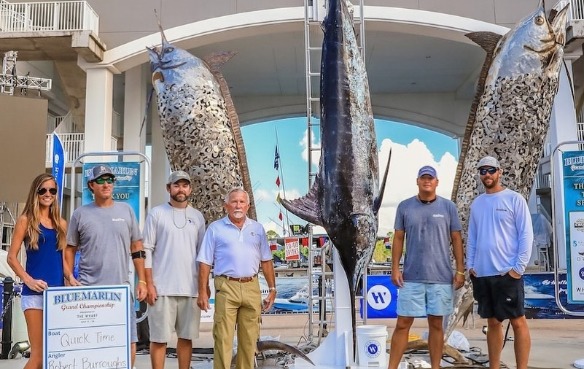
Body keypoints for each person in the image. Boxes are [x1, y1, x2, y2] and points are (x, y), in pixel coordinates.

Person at [64, 164, 147, 367]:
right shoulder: (80, 214)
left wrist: (142, 280)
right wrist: (69, 277)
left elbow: (136, 246)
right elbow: (69, 249)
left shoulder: (126, 211)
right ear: (91, 185)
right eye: (101, 180)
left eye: (110, 180)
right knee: (91, 341)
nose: (106, 184)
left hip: (120, 289)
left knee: (128, 340)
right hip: (88, 290)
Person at [388, 165, 465, 369]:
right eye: (423, 178)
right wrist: (395, 268)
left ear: (437, 182)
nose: (427, 181)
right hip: (411, 277)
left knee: (436, 325)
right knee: (403, 324)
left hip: (441, 277)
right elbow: (398, 238)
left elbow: (456, 239)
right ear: (418, 181)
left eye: (431, 178)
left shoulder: (448, 207)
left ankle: (436, 366)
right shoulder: (404, 207)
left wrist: (460, 270)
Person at [196, 187, 276, 369]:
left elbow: (266, 260)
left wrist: (272, 289)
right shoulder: (215, 229)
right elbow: (204, 262)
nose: (238, 205)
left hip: (251, 287)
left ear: (248, 206)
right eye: (234, 201)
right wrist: (202, 291)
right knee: (223, 339)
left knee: (249, 341)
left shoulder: (258, 229)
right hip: (226, 286)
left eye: (241, 202)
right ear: (226, 206)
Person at [466, 156, 533, 369]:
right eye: (483, 171)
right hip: (483, 274)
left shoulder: (514, 199)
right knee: (493, 323)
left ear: (500, 172)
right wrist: (470, 266)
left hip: (508, 273)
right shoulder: (477, 204)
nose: (487, 174)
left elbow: (526, 235)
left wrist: (518, 269)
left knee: (518, 322)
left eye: (491, 170)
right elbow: (473, 237)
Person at [143, 171, 206, 369]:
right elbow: (146, 250)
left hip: (190, 289)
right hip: (162, 289)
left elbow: (203, 255)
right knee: (159, 339)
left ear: (190, 189)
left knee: (186, 339)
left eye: (185, 185)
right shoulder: (156, 213)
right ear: (168, 188)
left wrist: (203, 288)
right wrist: (149, 284)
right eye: (176, 185)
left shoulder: (197, 217)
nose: (181, 189)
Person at [7, 174, 67, 369]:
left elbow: (62, 260)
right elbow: (11, 257)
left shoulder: (61, 223)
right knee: (39, 356)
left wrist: (72, 279)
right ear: (36, 192)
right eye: (43, 190)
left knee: (54, 356)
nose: (47, 194)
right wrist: (28, 280)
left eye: (52, 190)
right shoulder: (26, 220)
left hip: (57, 296)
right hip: (34, 295)